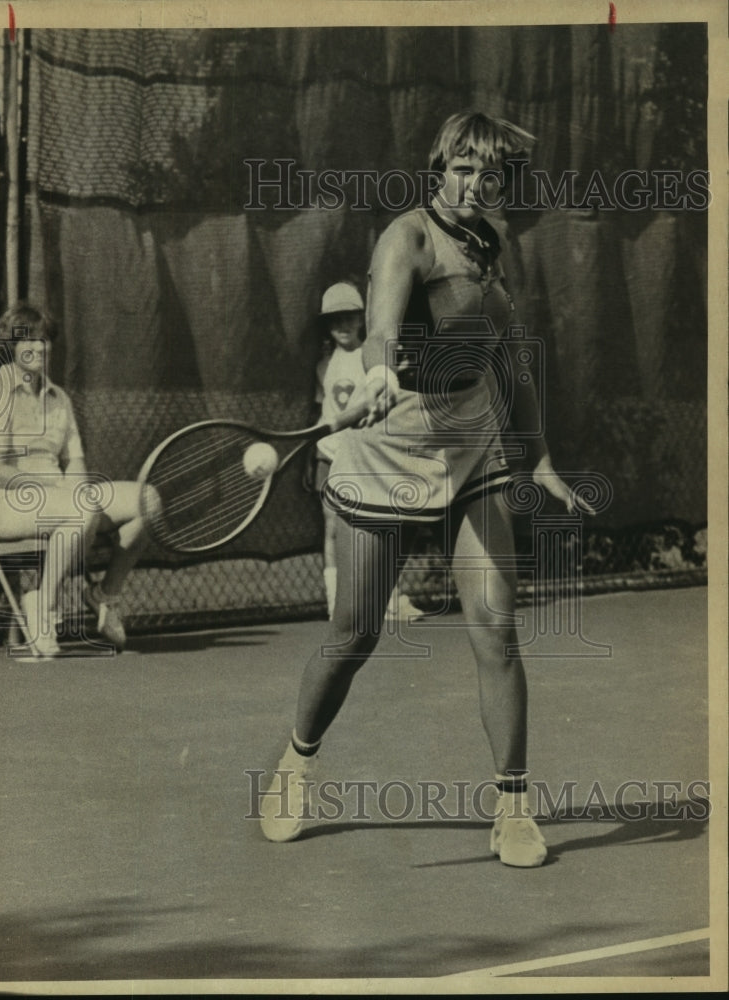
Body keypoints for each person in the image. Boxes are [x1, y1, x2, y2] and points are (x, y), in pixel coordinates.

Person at [260, 111, 596, 867]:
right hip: (387, 452)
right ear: (438, 166)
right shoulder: (404, 238)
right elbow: (382, 318)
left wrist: (537, 456)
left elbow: (506, 356)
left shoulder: (491, 243)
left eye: (491, 173)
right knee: (356, 632)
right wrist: (379, 368)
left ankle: (512, 809)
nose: (477, 184)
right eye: (464, 169)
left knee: (496, 625)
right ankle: (295, 764)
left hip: (470, 442)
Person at [0, 302, 152, 657]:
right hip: (2, 505)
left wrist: (74, 489)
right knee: (81, 505)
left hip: (62, 500)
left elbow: (75, 461)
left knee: (147, 500)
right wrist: (60, 491)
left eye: (45, 340)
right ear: (11, 347)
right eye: (28, 341)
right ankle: (42, 608)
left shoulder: (60, 398)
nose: (40, 348)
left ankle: (102, 596)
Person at [313, 280, 424, 624]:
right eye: (335, 320)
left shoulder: (373, 357)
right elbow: (324, 410)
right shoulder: (322, 366)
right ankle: (335, 605)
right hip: (329, 456)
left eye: (349, 317)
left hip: (368, 456)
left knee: (381, 527)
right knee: (332, 528)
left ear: (362, 319)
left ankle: (390, 600)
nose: (343, 326)